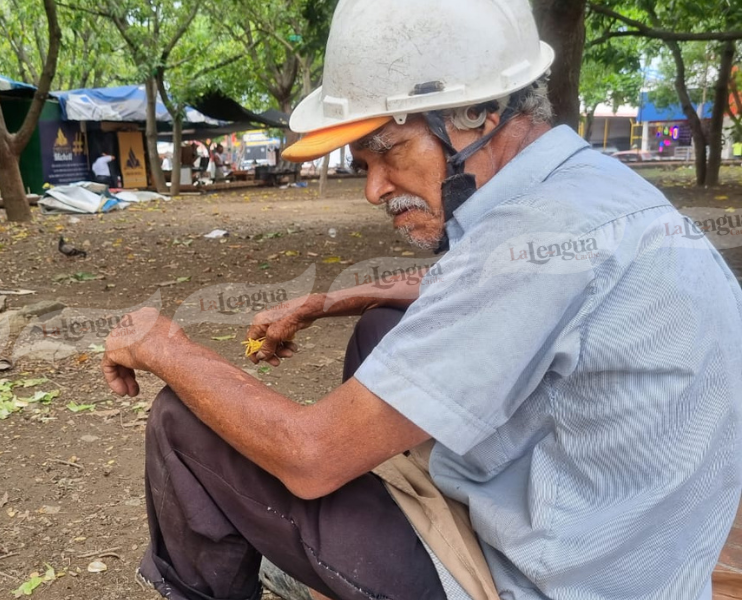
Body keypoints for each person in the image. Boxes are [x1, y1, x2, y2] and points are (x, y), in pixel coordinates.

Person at [101, 1, 742, 599]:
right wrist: (322, 302)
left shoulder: (533, 240)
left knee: (182, 423)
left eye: (389, 152)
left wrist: (165, 344)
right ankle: (337, 537)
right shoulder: (579, 188)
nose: (374, 188)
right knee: (382, 326)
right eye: (365, 161)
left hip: (549, 580)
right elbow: (463, 285)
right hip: (631, 542)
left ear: (477, 116)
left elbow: (310, 457)